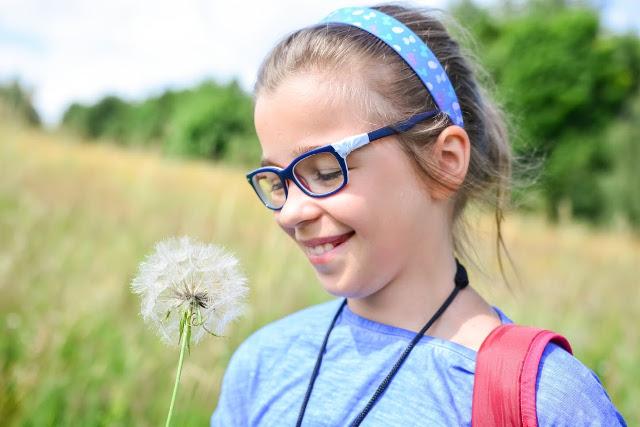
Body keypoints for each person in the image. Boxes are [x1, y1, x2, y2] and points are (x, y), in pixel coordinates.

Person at [210, 4, 626, 426]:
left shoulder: (545, 401)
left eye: (326, 171)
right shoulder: (262, 364)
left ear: (445, 161)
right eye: (278, 182)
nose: (290, 213)